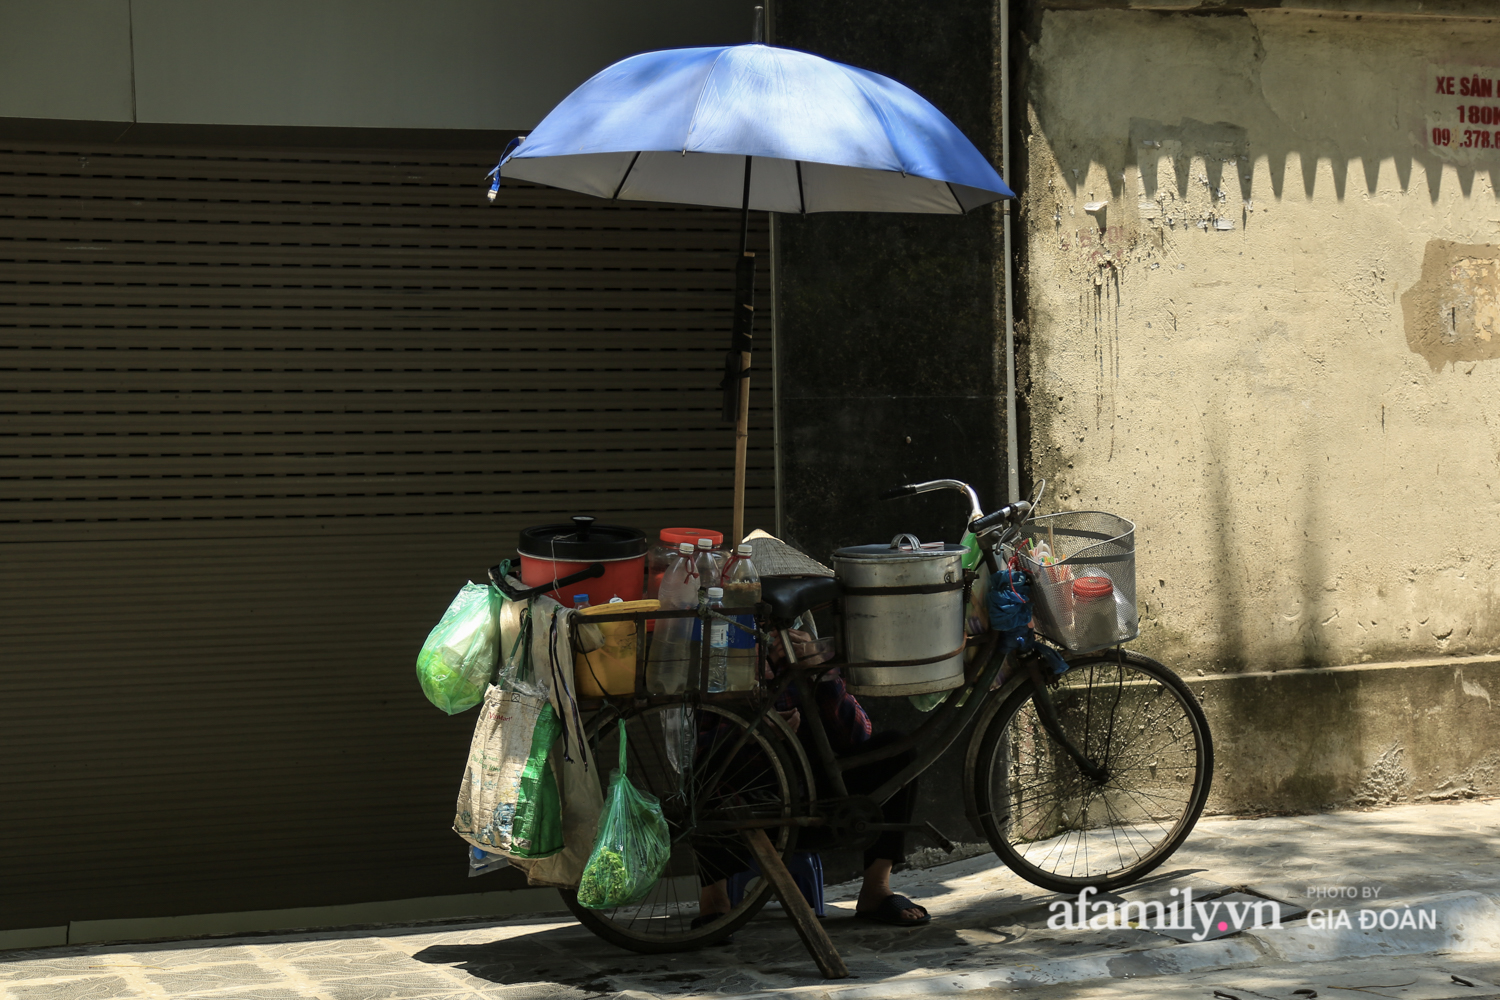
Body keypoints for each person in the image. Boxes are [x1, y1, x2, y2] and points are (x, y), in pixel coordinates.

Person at [696, 627, 930, 928]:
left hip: (820, 803)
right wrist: (754, 734)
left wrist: (821, 671)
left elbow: (858, 737)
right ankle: (714, 898)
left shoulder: (805, 651)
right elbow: (700, 747)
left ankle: (876, 888)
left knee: (897, 752)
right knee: (701, 776)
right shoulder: (722, 654)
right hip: (752, 805)